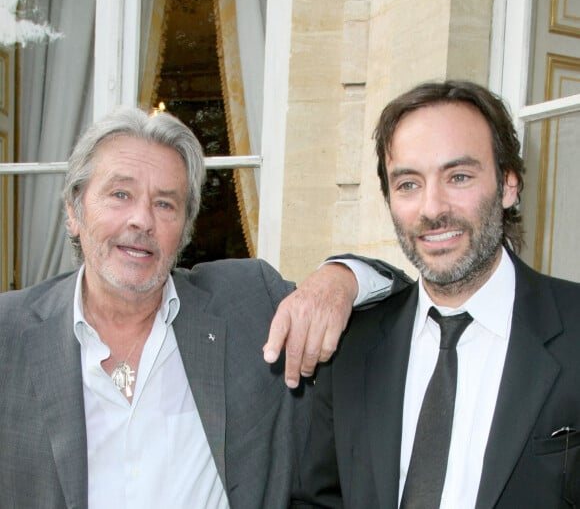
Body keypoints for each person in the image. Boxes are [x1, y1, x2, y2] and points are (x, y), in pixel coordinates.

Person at [0, 105, 410, 509]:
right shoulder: (9, 333)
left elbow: (400, 303)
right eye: (120, 194)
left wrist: (339, 279)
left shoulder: (248, 302)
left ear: (184, 229)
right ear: (74, 211)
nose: (142, 219)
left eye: (165, 203)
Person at [290, 80, 580, 508]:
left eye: (458, 176)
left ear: (509, 184)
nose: (431, 208)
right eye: (408, 184)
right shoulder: (352, 346)